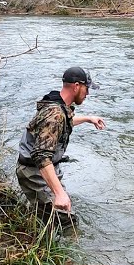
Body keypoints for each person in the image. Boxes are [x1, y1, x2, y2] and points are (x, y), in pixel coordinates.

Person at [16, 66, 105, 228]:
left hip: (37, 170)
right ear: (77, 86)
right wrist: (59, 193)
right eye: (87, 88)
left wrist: (88, 119)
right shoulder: (55, 114)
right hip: (35, 173)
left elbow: (65, 120)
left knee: (47, 215)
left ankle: (37, 219)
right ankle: (45, 245)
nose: (88, 94)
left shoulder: (58, 105)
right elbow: (41, 156)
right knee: (66, 222)